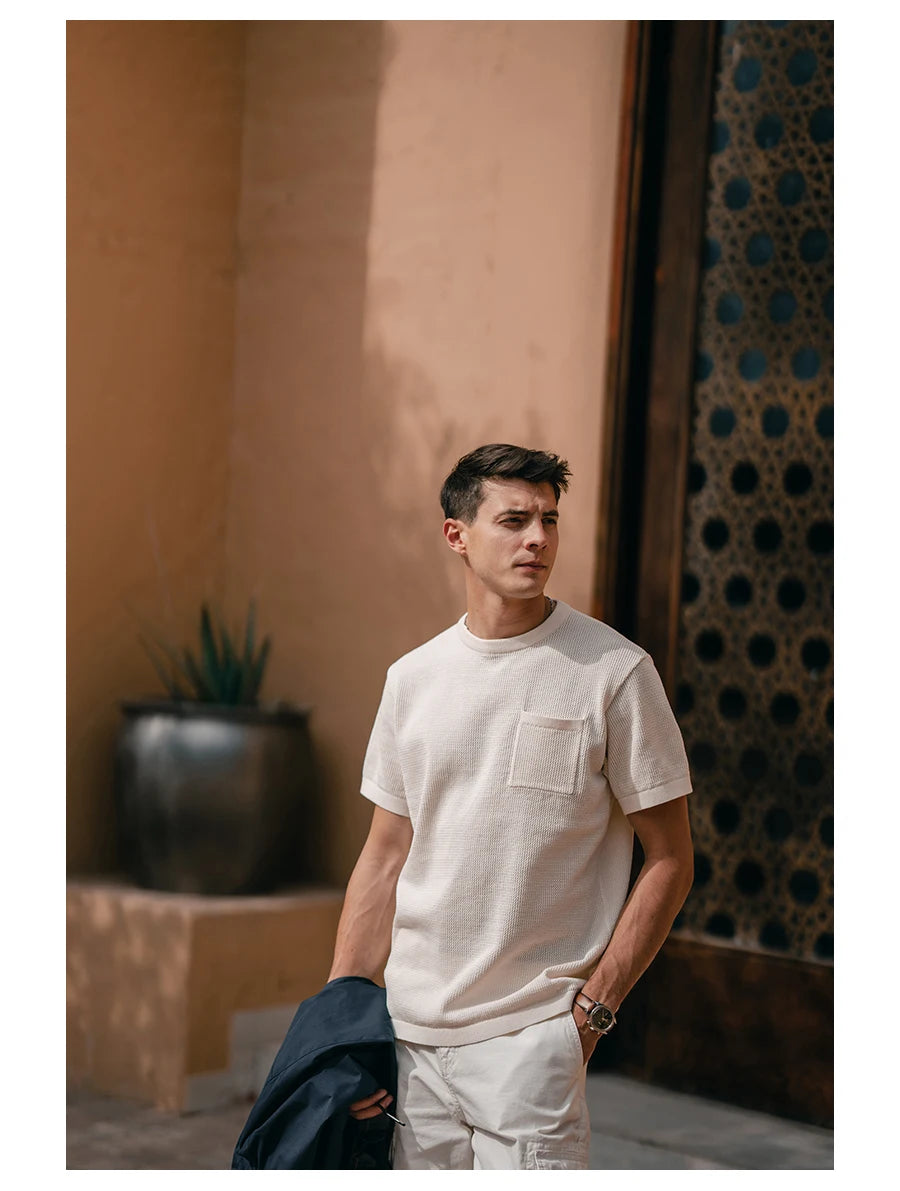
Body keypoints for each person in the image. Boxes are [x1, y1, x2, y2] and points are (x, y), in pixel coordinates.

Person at [327, 443, 694, 1170]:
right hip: (412, 1041)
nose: (537, 539)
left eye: (550, 520)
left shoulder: (614, 673)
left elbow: (672, 858)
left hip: (532, 1045)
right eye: (515, 519)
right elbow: (384, 858)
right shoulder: (413, 679)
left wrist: (590, 1014)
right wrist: (342, 1027)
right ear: (456, 533)